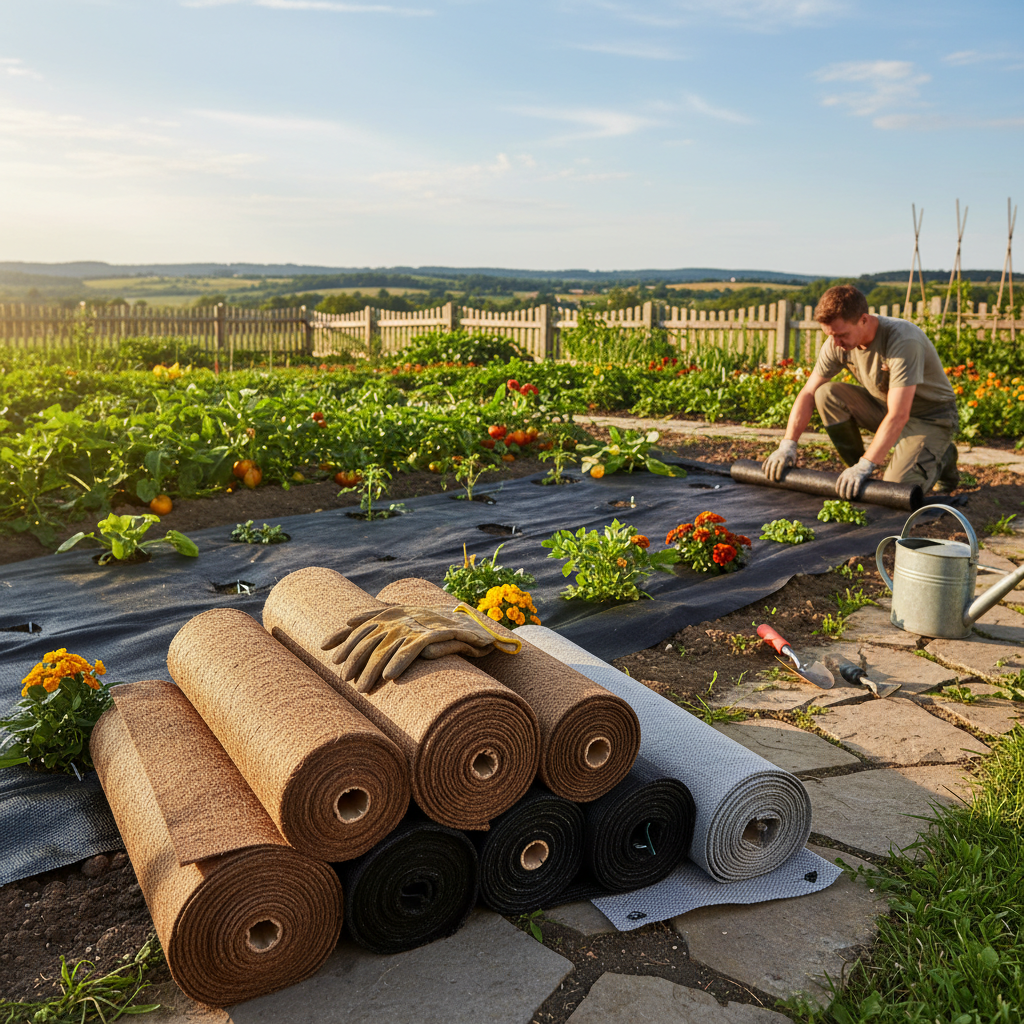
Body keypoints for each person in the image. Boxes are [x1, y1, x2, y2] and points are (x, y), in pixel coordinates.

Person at [762, 284, 959, 499]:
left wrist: (866, 465)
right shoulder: (836, 342)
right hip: (886, 408)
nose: (836, 343)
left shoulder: (902, 340)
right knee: (825, 394)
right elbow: (808, 392)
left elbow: (899, 415)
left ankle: (942, 454)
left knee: (896, 489)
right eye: (830, 335)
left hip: (929, 418)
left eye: (841, 335)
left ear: (864, 320)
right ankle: (861, 468)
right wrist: (787, 445)